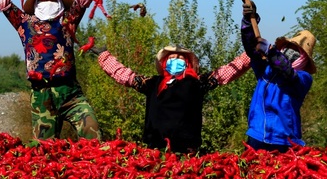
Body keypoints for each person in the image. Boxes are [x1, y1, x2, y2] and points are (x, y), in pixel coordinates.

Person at [0, 0, 104, 140]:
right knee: (44, 150)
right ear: (37, 3)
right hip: (42, 95)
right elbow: (3, 3)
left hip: (70, 92)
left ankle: (97, 167)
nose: (48, 1)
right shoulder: (25, 23)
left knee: (92, 130)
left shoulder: (68, 20)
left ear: (59, 1)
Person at [95, 46, 251, 153]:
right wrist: (104, 56)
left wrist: (251, 53)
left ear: (188, 63)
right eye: (172, 58)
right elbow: (126, 76)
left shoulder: (197, 83)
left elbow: (226, 72)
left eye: (180, 58)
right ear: (164, 63)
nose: (176, 60)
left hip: (187, 150)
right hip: (155, 149)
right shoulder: (153, 83)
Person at [241, 1, 317, 152]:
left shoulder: (303, 78)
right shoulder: (266, 69)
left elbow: (288, 73)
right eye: (289, 47)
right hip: (257, 134)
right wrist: (249, 20)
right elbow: (250, 48)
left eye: (297, 50)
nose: (291, 51)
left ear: (304, 58)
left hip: (284, 140)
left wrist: (270, 52)